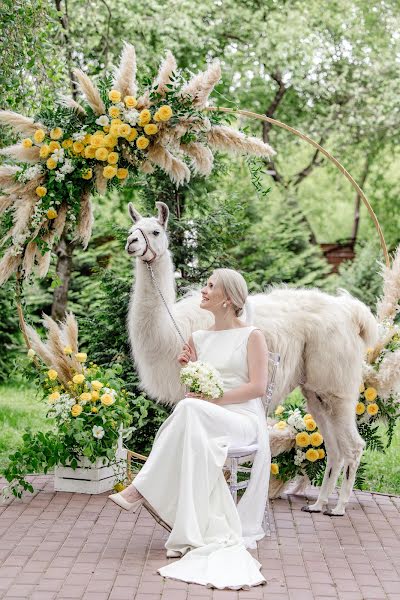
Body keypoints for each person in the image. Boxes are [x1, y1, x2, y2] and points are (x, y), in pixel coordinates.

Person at [108, 268, 271, 589]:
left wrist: (215, 396)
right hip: (204, 417)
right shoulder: (198, 338)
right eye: (206, 285)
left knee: (189, 409)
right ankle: (176, 512)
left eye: (211, 286)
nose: (204, 290)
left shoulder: (253, 336)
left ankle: (142, 486)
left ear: (228, 299)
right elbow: (192, 393)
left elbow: (258, 388)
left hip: (242, 421)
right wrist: (190, 370)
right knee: (188, 408)